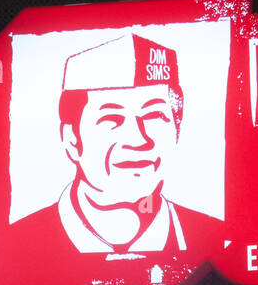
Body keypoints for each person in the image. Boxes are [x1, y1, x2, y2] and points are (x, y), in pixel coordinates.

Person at [12, 31, 221, 259]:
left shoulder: (217, 238)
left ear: (177, 130)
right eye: (111, 119)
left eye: (154, 115)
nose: (138, 140)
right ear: (72, 139)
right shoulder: (16, 247)